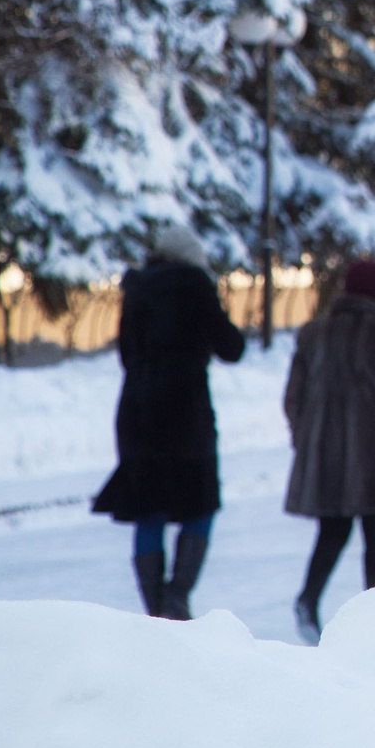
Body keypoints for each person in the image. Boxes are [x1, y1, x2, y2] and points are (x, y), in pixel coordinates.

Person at [89, 222, 245, 619]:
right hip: (186, 411)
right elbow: (231, 347)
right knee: (201, 505)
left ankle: (154, 604)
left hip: (137, 412)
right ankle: (177, 595)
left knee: (149, 507)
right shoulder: (196, 285)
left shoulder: (136, 289)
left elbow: (126, 352)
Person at [284, 256, 375, 644]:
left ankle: (308, 600)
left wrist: (304, 435)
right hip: (374, 450)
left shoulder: (316, 333)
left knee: (332, 530)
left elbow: (293, 394)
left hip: (327, 449)